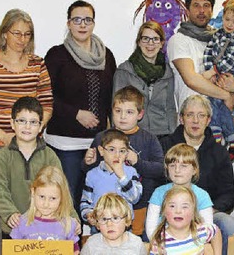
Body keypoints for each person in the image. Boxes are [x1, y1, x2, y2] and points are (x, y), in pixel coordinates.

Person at [0, 9, 53, 254]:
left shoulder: (38, 63)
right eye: (16, 33)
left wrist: (30, 133)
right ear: (4, 33)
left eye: (27, 34)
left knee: (36, 204)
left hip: (32, 148)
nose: (22, 39)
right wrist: (4, 136)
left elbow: (47, 105)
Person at [44, 0, 117, 214]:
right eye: (77, 19)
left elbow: (111, 97)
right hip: (65, 144)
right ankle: (70, 247)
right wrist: (76, 114)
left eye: (88, 19)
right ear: (68, 23)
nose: (82, 24)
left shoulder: (107, 55)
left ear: (94, 23)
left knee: (99, 201)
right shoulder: (57, 55)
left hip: (97, 142)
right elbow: (46, 96)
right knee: (70, 202)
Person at [159, 94, 234, 253]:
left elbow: (228, 194)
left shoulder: (219, 152)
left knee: (229, 223)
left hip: (207, 213)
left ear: (208, 120)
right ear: (181, 118)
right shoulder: (164, 145)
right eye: (190, 115)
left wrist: (208, 212)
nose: (195, 121)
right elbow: (156, 184)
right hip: (170, 213)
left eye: (201, 115)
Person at [0, 97, 78, 241]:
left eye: (33, 122)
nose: (27, 127)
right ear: (12, 123)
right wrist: (9, 213)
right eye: (22, 121)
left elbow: (62, 188)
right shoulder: (3, 156)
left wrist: (73, 217)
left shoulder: (49, 155)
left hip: (47, 228)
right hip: (14, 226)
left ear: (40, 127)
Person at [86, 86, 164, 237]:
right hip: (104, 209)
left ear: (140, 114)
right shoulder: (101, 137)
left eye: (129, 112)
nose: (122, 117)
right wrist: (87, 163)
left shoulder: (149, 139)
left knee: (135, 245)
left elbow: (160, 170)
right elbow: (91, 175)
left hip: (138, 206)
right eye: (118, 111)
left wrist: (138, 162)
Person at [168, 0, 234, 112]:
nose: (201, 10)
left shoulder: (221, 38)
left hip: (221, 115)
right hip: (192, 118)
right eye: (196, 5)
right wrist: (227, 95)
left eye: (206, 5)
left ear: (212, 11)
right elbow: (192, 80)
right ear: (187, 11)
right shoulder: (178, 40)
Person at [201, 0, 234, 157]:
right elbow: (208, 52)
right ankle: (224, 137)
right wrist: (209, 69)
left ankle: (228, 138)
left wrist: (214, 71)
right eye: (227, 19)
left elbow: (230, 62)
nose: (229, 24)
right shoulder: (217, 34)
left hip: (229, 74)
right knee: (214, 104)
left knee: (217, 103)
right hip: (216, 72)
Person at [112, 21, 176, 138]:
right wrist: (117, 138)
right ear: (139, 42)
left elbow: (170, 108)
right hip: (133, 135)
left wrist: (173, 136)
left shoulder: (168, 72)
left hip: (162, 135)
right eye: (145, 38)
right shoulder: (125, 71)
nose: (150, 43)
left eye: (155, 39)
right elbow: (116, 107)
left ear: (162, 43)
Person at [145, 143, 214, 239]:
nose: (177, 170)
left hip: (193, 242)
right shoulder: (159, 193)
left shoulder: (202, 195)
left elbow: (208, 228)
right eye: (172, 165)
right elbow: (151, 228)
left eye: (183, 166)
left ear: (194, 170)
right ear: (167, 168)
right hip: (162, 241)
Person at [81, 129, 142, 233]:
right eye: (112, 149)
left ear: (127, 153)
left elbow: (135, 198)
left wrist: (122, 177)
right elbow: (85, 202)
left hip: (124, 229)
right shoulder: (92, 175)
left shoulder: (131, 172)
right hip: (99, 228)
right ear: (101, 150)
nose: (117, 155)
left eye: (122, 151)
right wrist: (88, 214)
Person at [10, 166, 80, 253]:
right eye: (42, 197)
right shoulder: (21, 223)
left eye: (53, 198)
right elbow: (13, 250)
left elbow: (75, 250)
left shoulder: (69, 224)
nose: (46, 204)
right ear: (33, 192)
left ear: (62, 197)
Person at [149, 185, 222, 255]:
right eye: (172, 206)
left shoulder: (201, 231)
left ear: (193, 212)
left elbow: (215, 231)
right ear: (164, 211)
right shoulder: (159, 241)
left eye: (185, 207)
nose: (178, 211)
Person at [82, 193, 147, 255]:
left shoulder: (136, 244)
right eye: (104, 219)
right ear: (97, 223)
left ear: (126, 220)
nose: (109, 224)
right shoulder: (91, 244)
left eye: (115, 218)